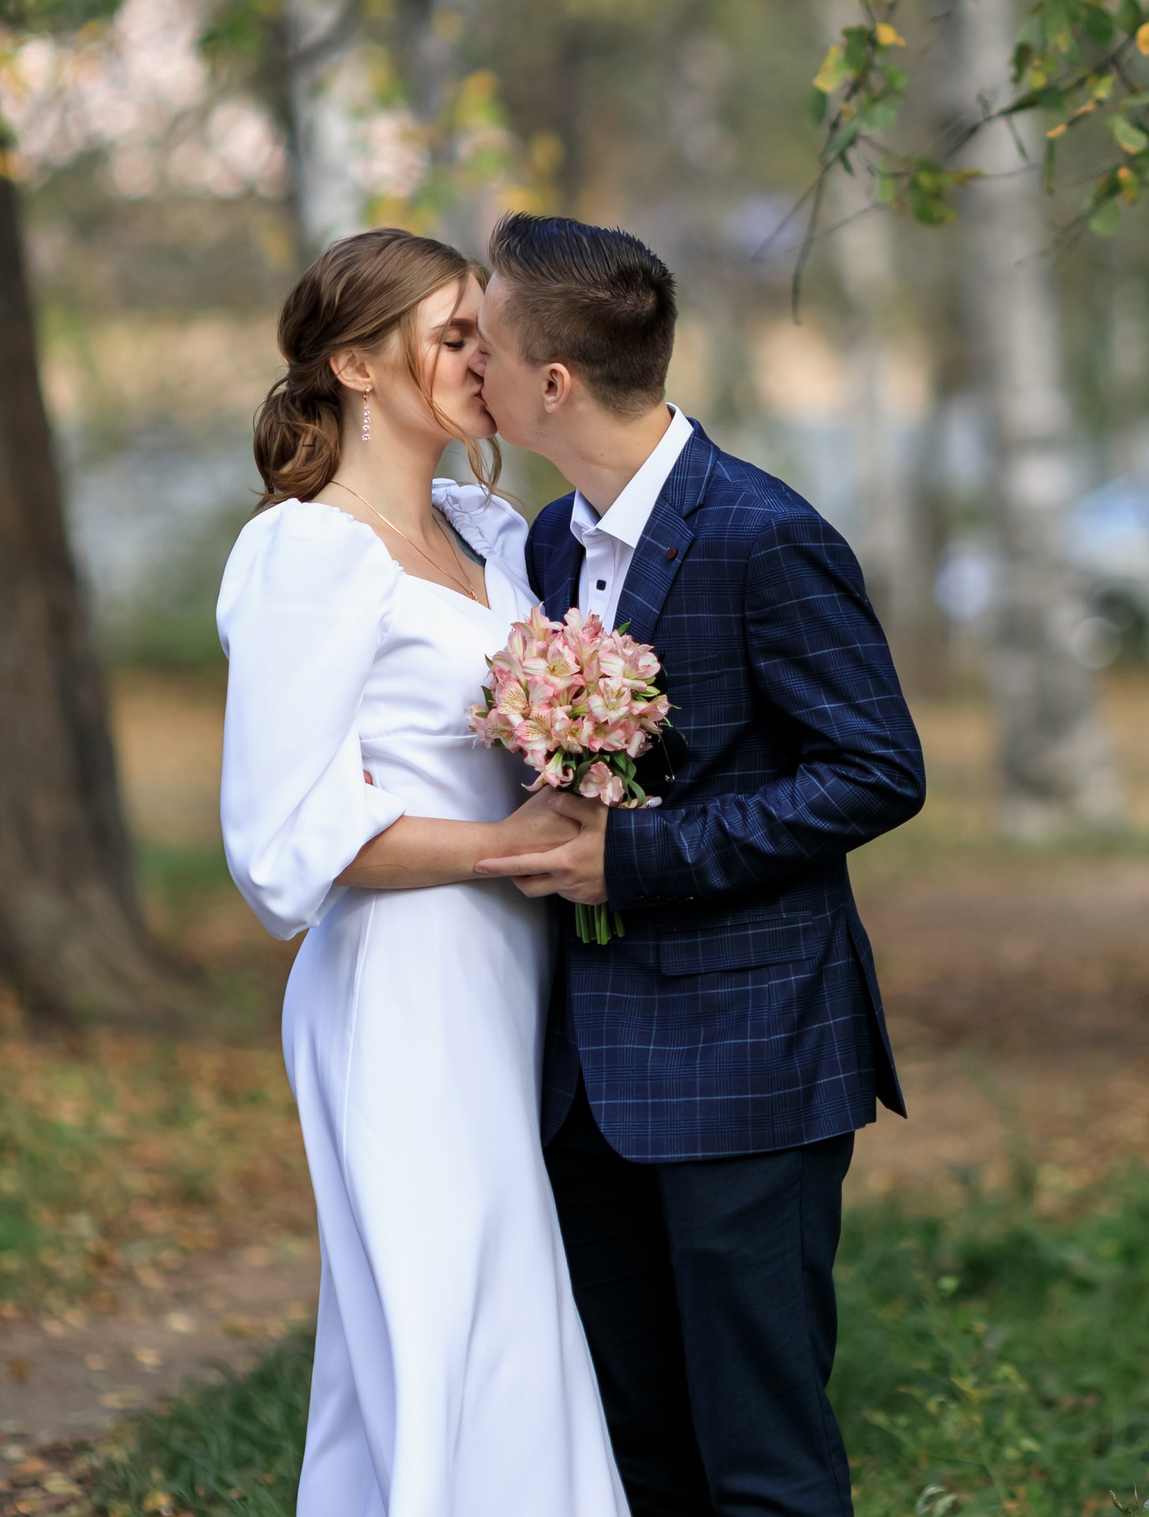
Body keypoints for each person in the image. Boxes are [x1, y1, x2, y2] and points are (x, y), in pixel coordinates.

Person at [471, 213, 927, 1517]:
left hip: (752, 1066)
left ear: (552, 384)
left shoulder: (760, 536)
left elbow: (878, 770)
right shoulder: (551, 545)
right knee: (639, 1455)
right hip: (588, 1087)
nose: (470, 372)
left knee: (764, 1464)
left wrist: (640, 858)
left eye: (485, 346)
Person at [216, 229, 630, 1517]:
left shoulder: (484, 532)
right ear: (354, 362)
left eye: (481, 333)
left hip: (509, 973)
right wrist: (523, 845)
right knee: (443, 1319)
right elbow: (286, 836)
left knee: (509, 1313)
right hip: (400, 986)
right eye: (451, 334)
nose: (480, 356)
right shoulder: (308, 554)